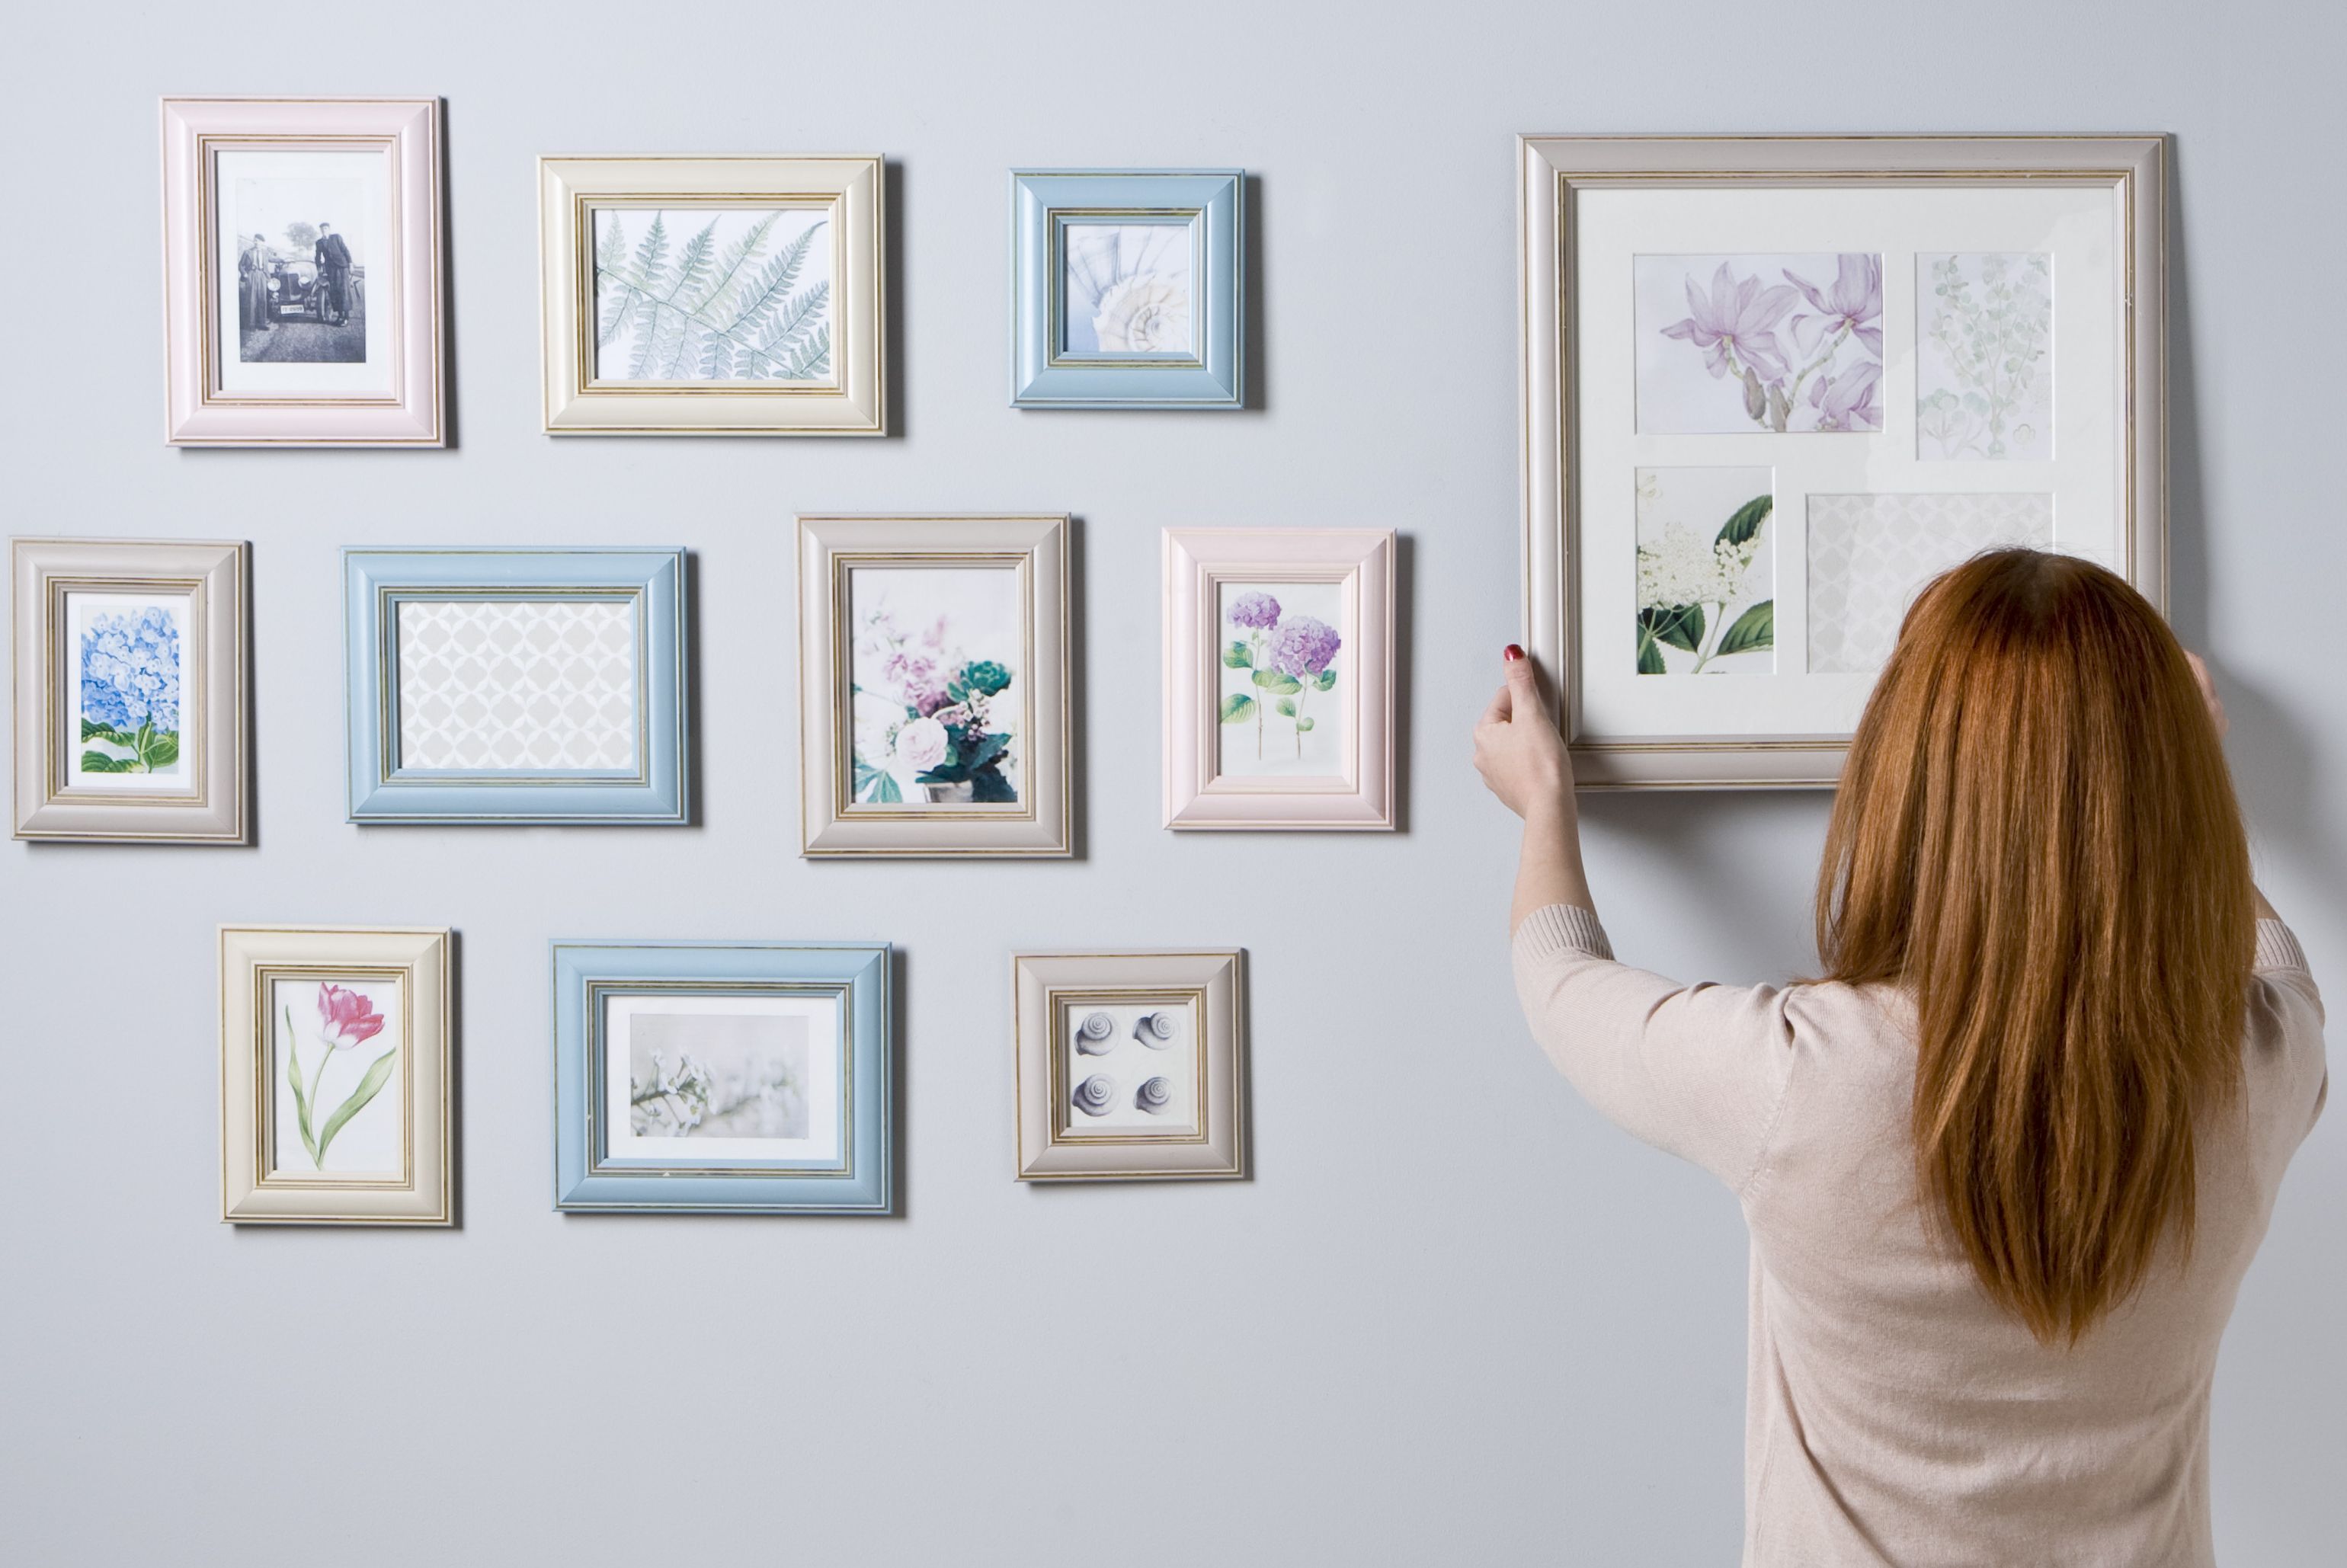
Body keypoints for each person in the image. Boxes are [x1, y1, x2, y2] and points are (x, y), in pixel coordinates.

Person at [1473, 549, 2326, 1566]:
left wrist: (1545, 805)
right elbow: (2270, 954)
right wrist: (2183, 770)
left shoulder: (1803, 1074)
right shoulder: (2263, 1064)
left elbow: (1562, 983)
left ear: (1902, 769)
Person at [314, 221, 352, 325]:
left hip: (342, 267)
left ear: (329, 230)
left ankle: (346, 318)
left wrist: (350, 264)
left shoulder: (336, 237)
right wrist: (319, 268)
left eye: (326, 228)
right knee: (334, 293)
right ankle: (340, 316)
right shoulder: (319, 243)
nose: (324, 230)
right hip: (330, 270)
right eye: (322, 229)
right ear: (320, 231)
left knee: (344, 291)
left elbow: (345, 250)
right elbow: (317, 256)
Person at [238, 232, 272, 334]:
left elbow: (272, 260)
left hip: (262, 276)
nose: (256, 243)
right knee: (252, 300)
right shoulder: (247, 252)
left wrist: (282, 261)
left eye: (258, 241)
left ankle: (262, 323)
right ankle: (251, 325)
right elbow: (240, 265)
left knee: (262, 299)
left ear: (262, 243)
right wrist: (245, 274)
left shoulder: (265, 253)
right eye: (255, 240)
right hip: (251, 275)